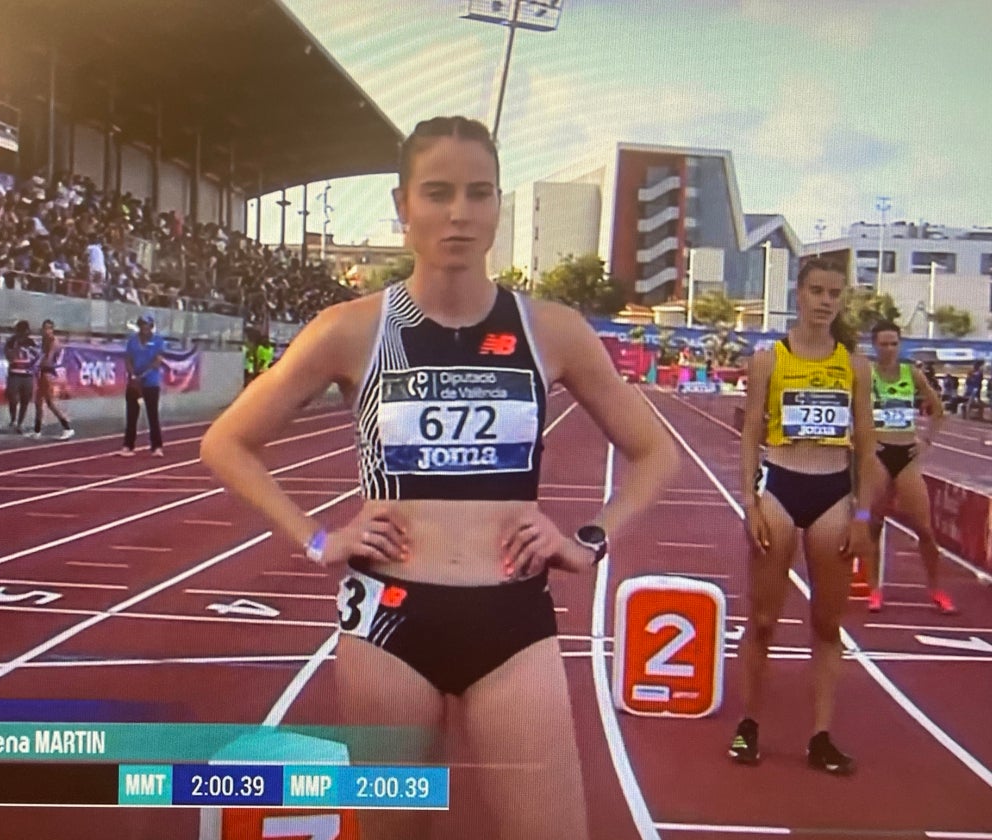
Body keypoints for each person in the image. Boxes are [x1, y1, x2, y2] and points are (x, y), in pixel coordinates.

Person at [201, 116, 676, 840]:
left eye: (478, 193)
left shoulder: (551, 330)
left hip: (513, 620)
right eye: (438, 192)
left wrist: (590, 538)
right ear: (403, 206)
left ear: (497, 207)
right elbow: (227, 442)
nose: (459, 212)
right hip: (388, 623)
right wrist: (317, 537)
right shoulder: (351, 329)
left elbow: (655, 453)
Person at [732, 257, 879, 776]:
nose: (825, 301)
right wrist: (749, 501)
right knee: (765, 619)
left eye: (834, 294)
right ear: (798, 293)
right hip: (780, 485)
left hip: (833, 492)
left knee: (826, 622)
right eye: (816, 290)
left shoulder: (855, 366)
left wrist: (862, 515)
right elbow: (751, 432)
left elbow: (866, 445)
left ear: (842, 300)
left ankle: (820, 736)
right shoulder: (769, 359)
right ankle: (749, 725)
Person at [866, 321, 953, 614]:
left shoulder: (911, 373)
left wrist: (927, 440)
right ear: (874, 345)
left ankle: (936, 589)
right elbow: (852, 410)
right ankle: (874, 589)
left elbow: (938, 410)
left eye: (894, 343)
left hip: (906, 454)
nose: (889, 349)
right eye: (884, 344)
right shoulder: (866, 374)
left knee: (924, 529)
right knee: (873, 523)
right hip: (878, 454)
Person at [120, 313, 165, 457]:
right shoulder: (132, 341)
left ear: (151, 327)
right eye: (142, 325)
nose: (144, 328)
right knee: (131, 414)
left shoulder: (158, 341)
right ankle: (128, 445)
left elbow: (157, 361)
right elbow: (128, 359)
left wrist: (143, 375)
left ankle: (156, 446)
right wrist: (133, 376)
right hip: (134, 382)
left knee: (153, 415)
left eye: (147, 325)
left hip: (151, 382)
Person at [28, 319, 75, 440]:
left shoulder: (53, 342)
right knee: (39, 402)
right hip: (43, 372)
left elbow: (48, 360)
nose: (46, 331)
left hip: (49, 373)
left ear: (52, 329)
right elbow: (41, 356)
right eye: (44, 328)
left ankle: (67, 427)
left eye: (49, 328)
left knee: (49, 402)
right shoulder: (44, 341)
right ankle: (37, 431)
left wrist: (37, 364)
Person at [3, 319, 38, 434]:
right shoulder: (12, 341)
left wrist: (32, 363)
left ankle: (20, 423)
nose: (24, 333)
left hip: (27, 374)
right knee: (13, 398)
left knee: (25, 399)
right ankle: (13, 419)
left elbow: (37, 355)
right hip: (14, 373)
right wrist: (15, 349)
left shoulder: (31, 342)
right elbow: (8, 355)